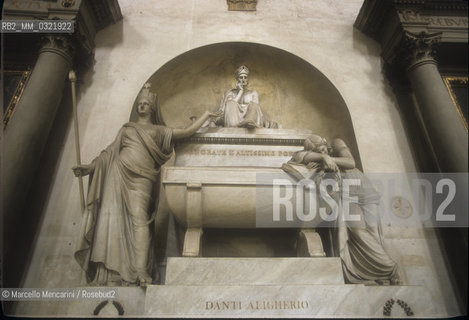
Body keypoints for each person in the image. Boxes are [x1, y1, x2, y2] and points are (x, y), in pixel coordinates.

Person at [73, 83, 221, 286]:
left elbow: (187, 132)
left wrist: (206, 115)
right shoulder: (127, 129)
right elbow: (109, 153)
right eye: (140, 104)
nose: (142, 106)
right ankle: (113, 273)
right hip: (118, 174)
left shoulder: (159, 130)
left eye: (146, 104)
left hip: (142, 179)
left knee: (140, 220)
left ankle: (140, 270)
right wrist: (90, 168)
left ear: (152, 107)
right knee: (112, 220)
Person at [283, 135, 401, 285]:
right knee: (357, 232)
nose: (323, 151)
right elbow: (299, 157)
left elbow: (350, 162)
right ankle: (388, 268)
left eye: (323, 147)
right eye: (318, 150)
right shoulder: (317, 158)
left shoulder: (337, 143)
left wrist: (329, 159)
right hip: (346, 195)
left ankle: (380, 276)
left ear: (325, 142)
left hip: (365, 191)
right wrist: (322, 158)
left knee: (373, 233)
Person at [213, 65, 278, 128]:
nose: (243, 79)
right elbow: (228, 108)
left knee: (253, 105)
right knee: (230, 103)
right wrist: (240, 92)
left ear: (247, 79)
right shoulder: (230, 92)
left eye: (245, 77)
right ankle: (236, 126)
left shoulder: (253, 93)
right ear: (237, 79)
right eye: (241, 77)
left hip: (249, 119)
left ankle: (248, 122)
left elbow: (256, 110)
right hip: (233, 120)